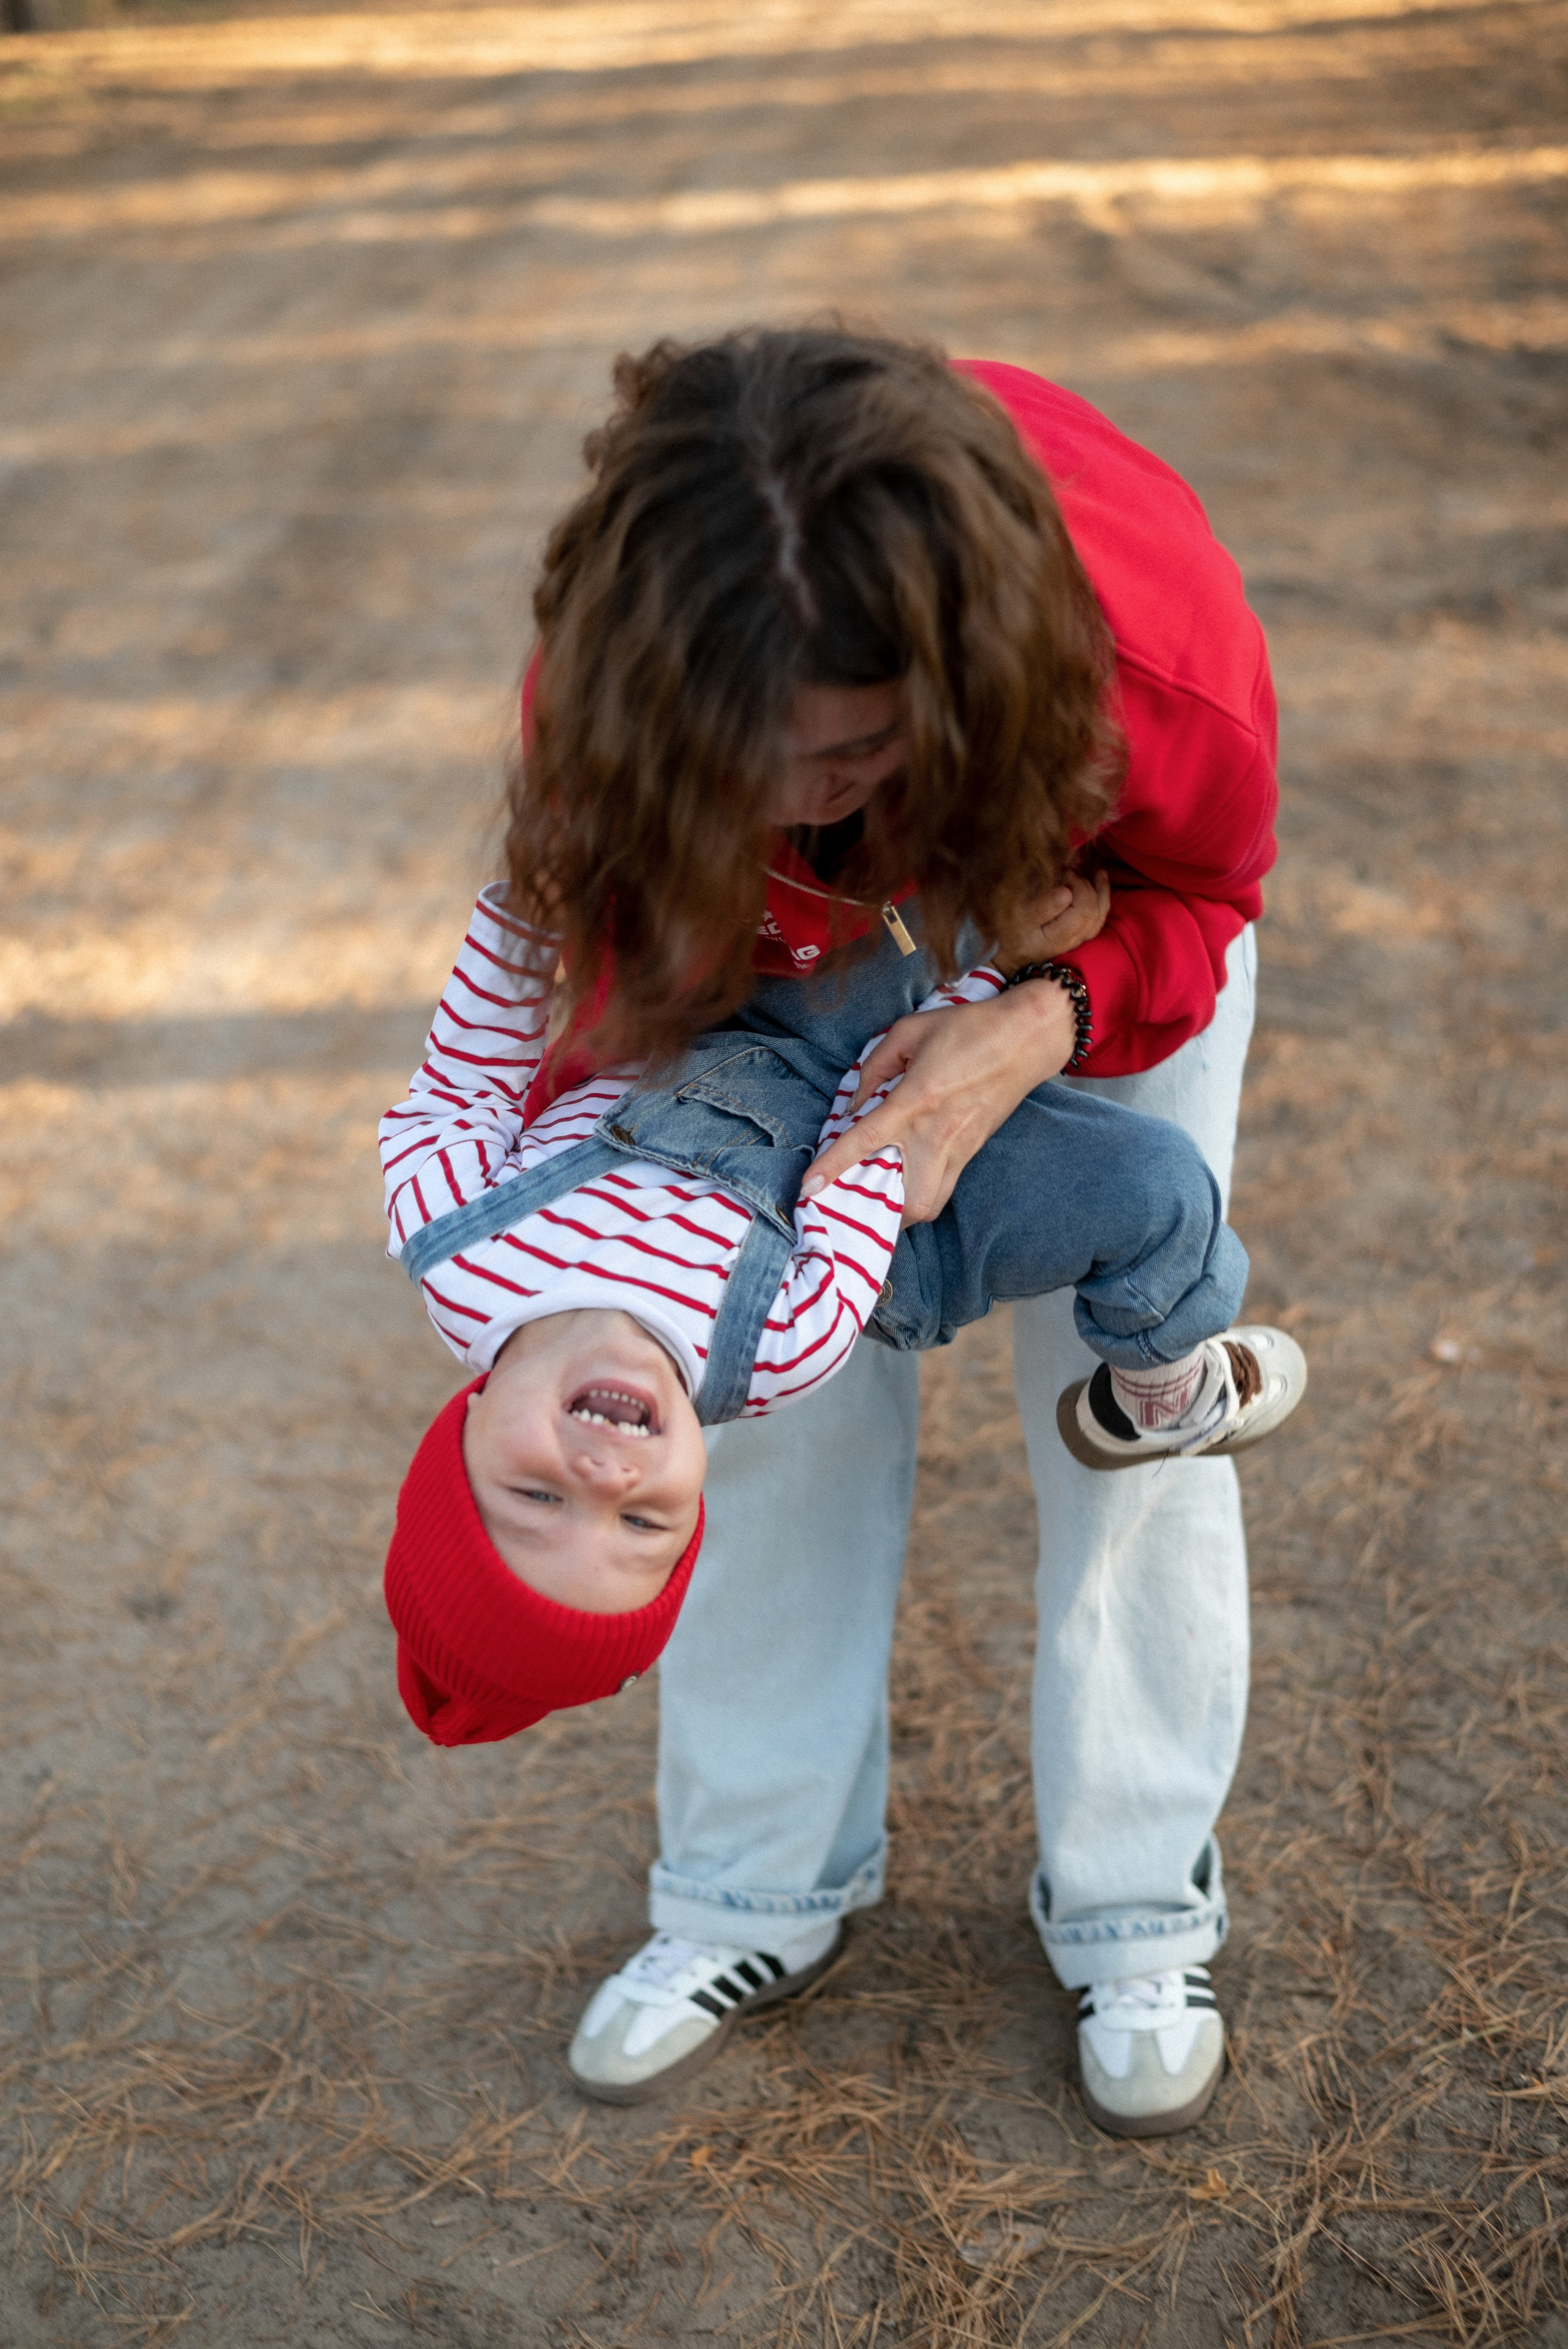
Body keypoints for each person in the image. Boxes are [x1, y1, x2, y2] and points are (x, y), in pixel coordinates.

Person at [478, 328, 1283, 2138]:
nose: (786, 796)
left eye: (840, 749)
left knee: (1129, 1399)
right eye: (733, 753)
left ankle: (1141, 1897)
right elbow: (596, 992)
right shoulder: (624, 675)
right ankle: (756, 1885)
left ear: (957, 679)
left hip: (1085, 919)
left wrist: (1039, 1015)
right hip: (779, 977)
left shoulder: (1152, 661)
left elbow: (1207, 891)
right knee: (762, 1378)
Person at [379, 884, 1304, 1782]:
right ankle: (1161, 1383)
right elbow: (880, 1142)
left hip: (722, 1032)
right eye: (643, 1520)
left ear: (464, 1429)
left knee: (833, 910)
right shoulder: (785, 1342)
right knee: (1154, 1187)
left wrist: (528, 914)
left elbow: (458, 1095)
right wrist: (1006, 969)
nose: (605, 1478)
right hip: (891, 1200)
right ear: (692, 1510)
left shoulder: (460, 1248)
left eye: (539, 1499)